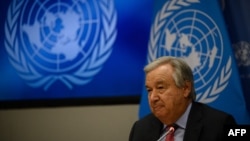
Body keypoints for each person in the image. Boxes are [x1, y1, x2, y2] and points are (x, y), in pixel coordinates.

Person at [129, 56, 237, 141]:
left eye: (160, 88)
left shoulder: (221, 124)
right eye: (149, 90)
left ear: (185, 88)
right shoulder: (140, 129)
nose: (153, 98)